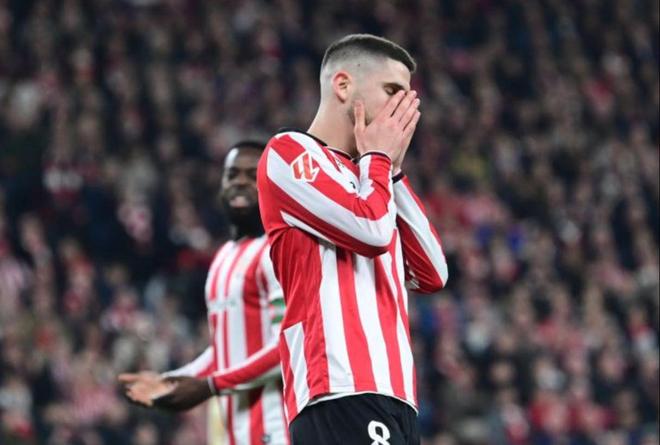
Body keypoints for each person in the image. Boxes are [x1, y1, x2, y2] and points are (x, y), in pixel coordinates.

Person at [257, 34, 448, 444]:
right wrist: (379, 159)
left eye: (408, 97)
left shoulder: (373, 180)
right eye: (392, 91)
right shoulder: (289, 153)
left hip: (396, 395)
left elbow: (433, 272)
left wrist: (392, 172)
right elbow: (372, 231)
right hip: (339, 387)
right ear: (343, 86)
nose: (403, 108)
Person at [118, 141, 289, 445]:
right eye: (232, 174)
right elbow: (226, 348)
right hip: (235, 430)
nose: (240, 182)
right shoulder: (222, 257)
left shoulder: (276, 252)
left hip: (278, 427)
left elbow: (286, 347)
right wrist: (170, 381)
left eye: (253, 175)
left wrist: (210, 385)